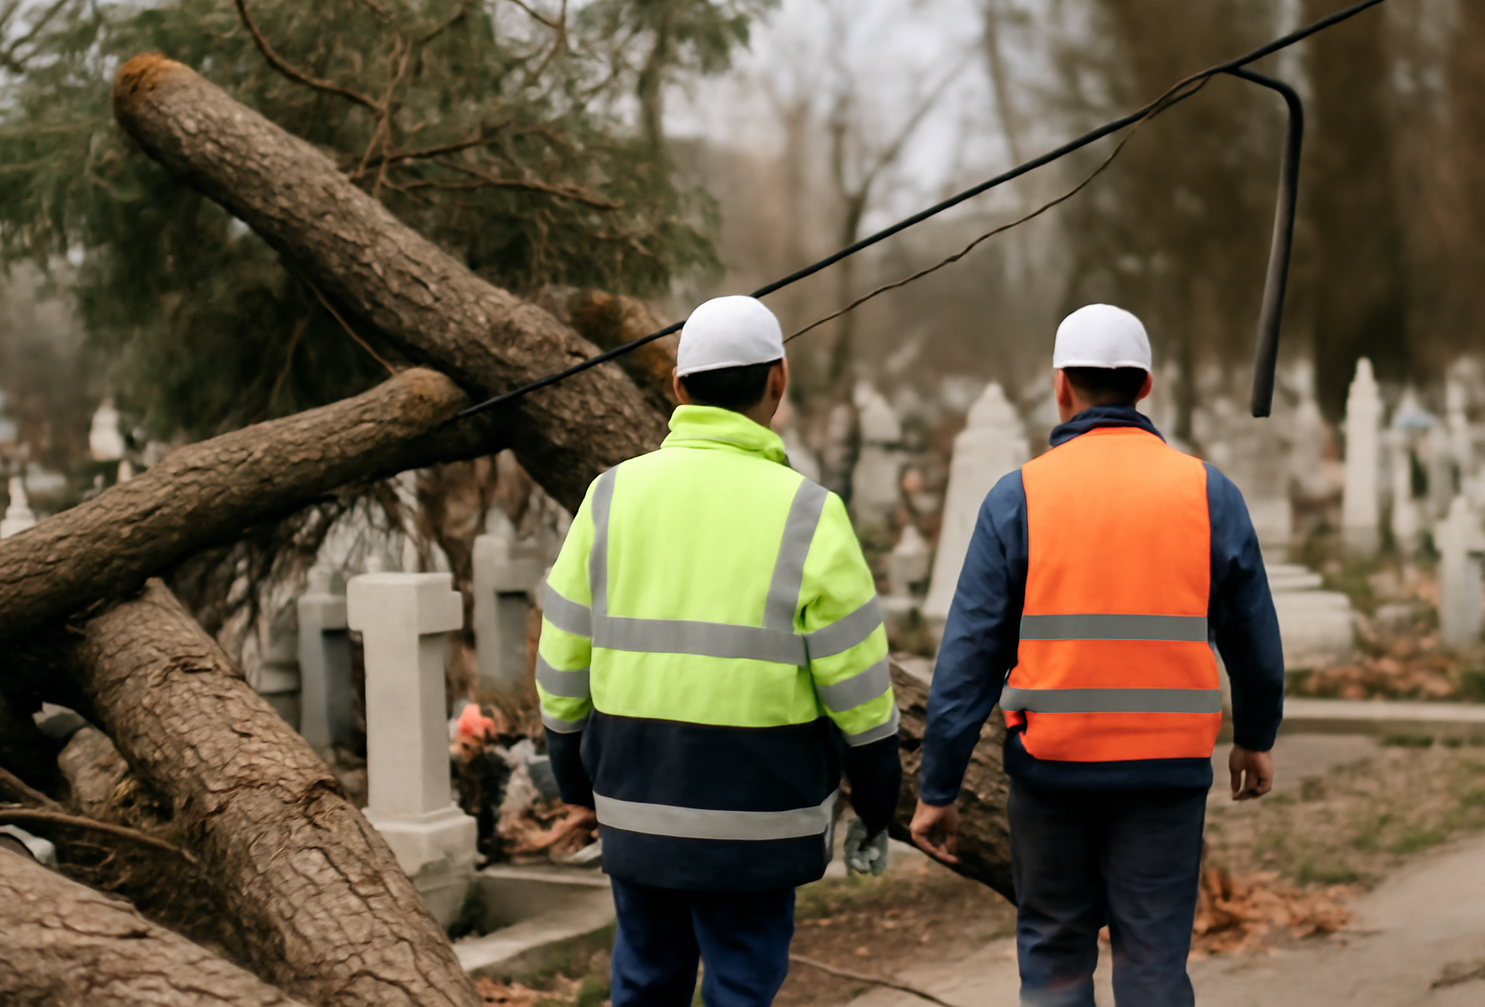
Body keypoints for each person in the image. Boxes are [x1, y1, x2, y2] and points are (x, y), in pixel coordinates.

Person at [909, 304, 1284, 1007]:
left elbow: (970, 657)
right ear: (1146, 386)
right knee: (1153, 956)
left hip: (1052, 772)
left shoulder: (1018, 497)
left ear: (1060, 386)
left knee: (1053, 950)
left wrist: (938, 787)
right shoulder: (1208, 494)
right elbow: (1255, 636)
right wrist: (1256, 738)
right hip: (1166, 773)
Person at [537, 295, 903, 1007]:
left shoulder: (611, 496)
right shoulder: (809, 513)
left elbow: (561, 667)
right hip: (761, 818)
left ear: (678, 388)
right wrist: (877, 802)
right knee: (741, 986)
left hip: (637, 800)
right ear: (779, 380)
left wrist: (576, 784)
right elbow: (860, 693)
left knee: (645, 979)